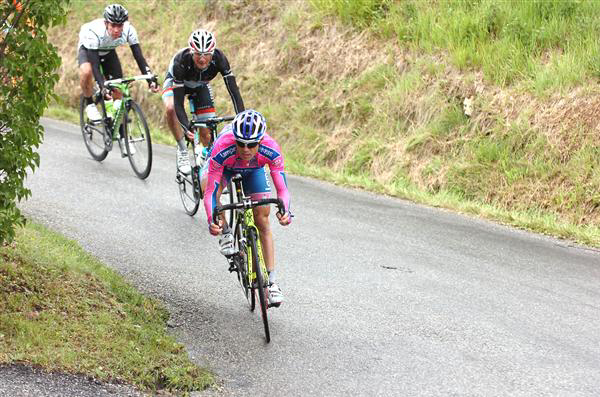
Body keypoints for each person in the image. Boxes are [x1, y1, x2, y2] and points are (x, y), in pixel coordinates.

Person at [201, 109, 292, 306]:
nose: (245, 149)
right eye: (241, 143)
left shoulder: (271, 148)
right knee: (206, 185)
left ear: (261, 141)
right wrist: (212, 219)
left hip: (254, 171)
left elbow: (282, 189)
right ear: (235, 139)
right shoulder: (222, 147)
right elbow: (210, 193)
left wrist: (285, 210)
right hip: (225, 167)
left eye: (251, 145)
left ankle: (272, 282)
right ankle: (226, 232)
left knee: (263, 220)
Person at [77, 4, 159, 154]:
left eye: (119, 25)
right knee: (87, 71)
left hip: (108, 53)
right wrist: (102, 86)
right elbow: (95, 65)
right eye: (113, 25)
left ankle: (122, 137)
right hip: (89, 50)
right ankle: (89, 103)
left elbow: (139, 57)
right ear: (106, 23)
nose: (117, 29)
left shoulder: (129, 30)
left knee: (118, 91)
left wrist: (150, 78)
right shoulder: (94, 31)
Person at [162, 29, 244, 175]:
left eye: (206, 54)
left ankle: (209, 168)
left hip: (200, 87)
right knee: (170, 108)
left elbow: (234, 91)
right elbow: (179, 103)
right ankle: (182, 150)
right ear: (191, 51)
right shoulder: (181, 61)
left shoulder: (219, 59)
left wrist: (242, 117)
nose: (202, 59)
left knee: (207, 131)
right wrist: (186, 127)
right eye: (198, 54)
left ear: (212, 53)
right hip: (176, 85)